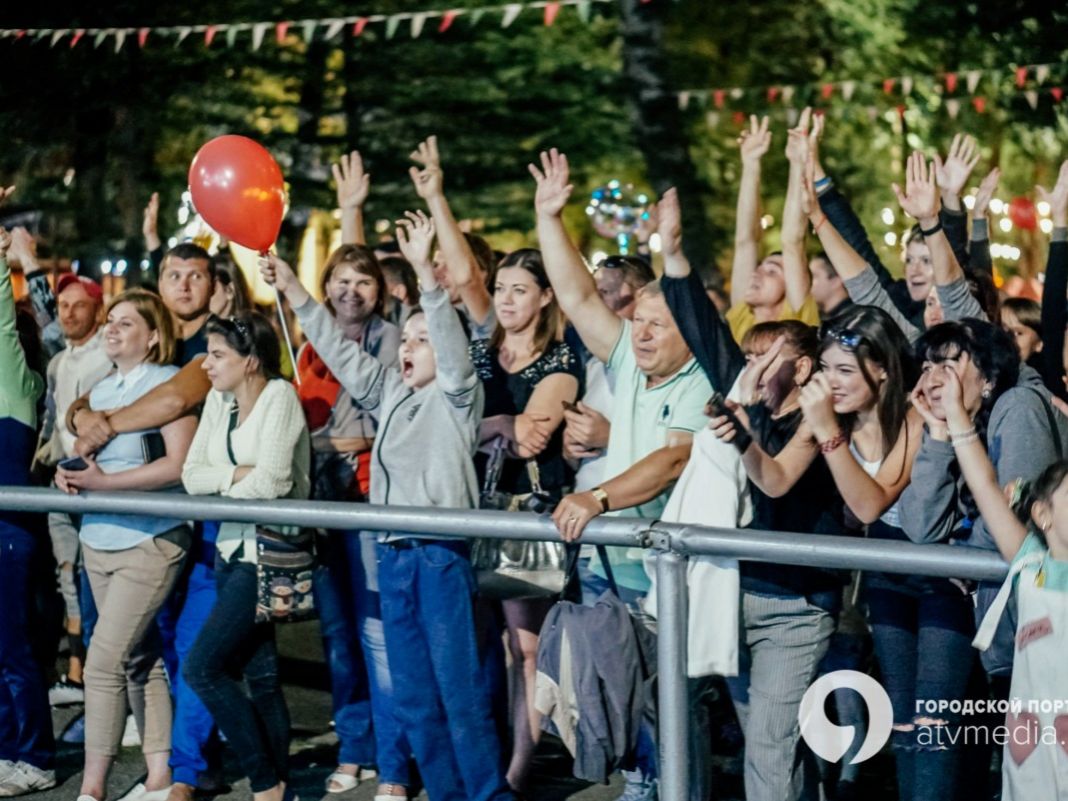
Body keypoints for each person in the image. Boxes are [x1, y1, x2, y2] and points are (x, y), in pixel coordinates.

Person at [261, 211, 514, 801]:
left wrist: (426, 272)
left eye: (423, 340)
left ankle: (486, 794)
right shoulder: (391, 390)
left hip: (439, 555)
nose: (411, 347)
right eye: (407, 339)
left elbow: (454, 350)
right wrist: (294, 289)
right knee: (414, 692)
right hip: (394, 552)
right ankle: (447, 792)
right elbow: (338, 350)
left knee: (457, 690)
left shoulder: (459, 394)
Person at [66, 244, 222, 801]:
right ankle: (158, 773)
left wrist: (102, 481)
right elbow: (81, 427)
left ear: (152, 336)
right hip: (99, 539)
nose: (111, 329)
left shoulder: (175, 376)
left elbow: (175, 465)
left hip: (151, 539)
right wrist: (74, 469)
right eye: (109, 321)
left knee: (103, 662)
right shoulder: (100, 389)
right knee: (140, 657)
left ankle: (92, 787)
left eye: (124, 322)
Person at [180, 310, 310, 801]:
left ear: (250, 361)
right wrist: (236, 477)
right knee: (262, 673)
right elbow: (193, 476)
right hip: (230, 547)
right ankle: (279, 783)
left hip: (270, 550)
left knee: (202, 668)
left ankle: (264, 781)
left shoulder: (280, 397)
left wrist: (225, 479)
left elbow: (275, 482)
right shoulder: (219, 400)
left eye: (217, 355)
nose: (206, 365)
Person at [465, 247, 580, 792]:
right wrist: (500, 422)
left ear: (545, 297)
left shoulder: (560, 362)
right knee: (485, 642)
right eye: (501, 288)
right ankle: (489, 755)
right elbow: (455, 423)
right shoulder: (478, 353)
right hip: (472, 507)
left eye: (519, 290)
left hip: (526, 512)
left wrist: (488, 425)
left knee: (525, 647)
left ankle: (515, 772)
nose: (506, 300)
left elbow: (529, 438)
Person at [294, 240, 401, 792]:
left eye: (363, 281)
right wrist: (333, 441)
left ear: (379, 292)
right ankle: (353, 748)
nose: (350, 291)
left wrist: (335, 441)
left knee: (376, 629)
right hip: (320, 501)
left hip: (368, 500)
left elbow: (387, 425)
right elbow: (303, 429)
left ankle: (392, 752)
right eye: (341, 279)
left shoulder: (392, 342)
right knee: (337, 633)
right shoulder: (308, 346)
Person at [934, 369, 1068, 801]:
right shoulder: (1030, 565)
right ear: (1043, 516)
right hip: (1031, 768)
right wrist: (956, 416)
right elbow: (985, 487)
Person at [33, 272, 111, 706]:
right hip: (60, 481)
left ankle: (94, 675)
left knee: (94, 578)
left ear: (97, 310)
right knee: (69, 576)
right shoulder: (59, 362)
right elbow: (52, 417)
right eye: (63, 305)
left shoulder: (106, 356)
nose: (68, 312)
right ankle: (79, 673)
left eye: (79, 304)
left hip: (97, 482)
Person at [0, 223, 56, 797]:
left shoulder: (18, 387)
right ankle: (3, 751)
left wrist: (2, 265)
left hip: (10, 535)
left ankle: (35, 755)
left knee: (14, 649)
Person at [725, 114, 819, 343]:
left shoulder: (797, 320)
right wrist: (750, 164)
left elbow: (793, 241)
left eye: (773, 271)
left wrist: (798, 164)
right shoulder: (742, 317)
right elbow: (745, 240)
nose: (756, 273)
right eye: (761, 267)